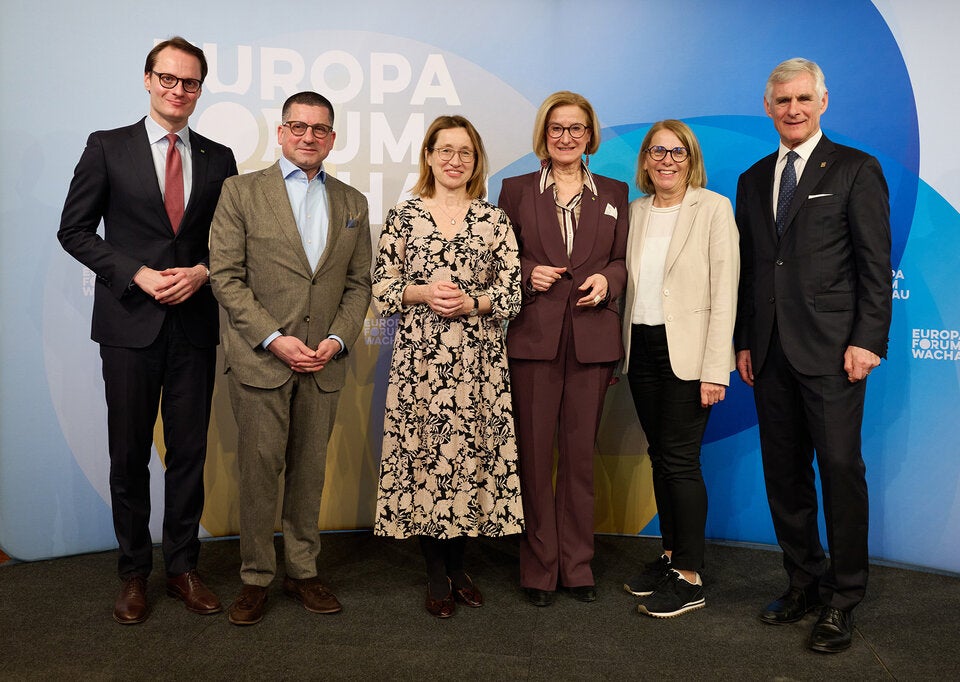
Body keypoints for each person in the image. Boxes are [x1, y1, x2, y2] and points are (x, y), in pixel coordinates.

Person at [57, 36, 237, 625]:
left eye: (190, 83)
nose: (178, 91)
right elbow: (75, 230)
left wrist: (205, 271)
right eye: (168, 79)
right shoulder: (106, 147)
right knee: (128, 454)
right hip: (129, 325)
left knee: (190, 453)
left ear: (199, 90)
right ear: (147, 79)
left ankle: (183, 567)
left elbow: (230, 241)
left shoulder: (219, 157)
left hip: (194, 327)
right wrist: (133, 272)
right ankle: (134, 573)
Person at [734, 58, 892, 653]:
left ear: (823, 101)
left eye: (804, 99)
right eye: (782, 101)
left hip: (834, 354)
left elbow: (875, 267)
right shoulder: (752, 180)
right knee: (785, 475)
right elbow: (755, 272)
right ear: (768, 108)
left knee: (841, 474)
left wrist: (867, 340)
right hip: (769, 353)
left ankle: (844, 598)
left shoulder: (856, 169)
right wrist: (746, 341)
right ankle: (802, 581)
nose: (793, 110)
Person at [209, 91, 372, 626]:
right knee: (259, 473)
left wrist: (339, 340)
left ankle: (303, 571)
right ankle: (256, 577)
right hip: (263, 361)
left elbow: (358, 284)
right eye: (298, 126)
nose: (308, 136)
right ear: (280, 132)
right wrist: (274, 338)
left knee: (309, 473)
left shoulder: (352, 202)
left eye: (320, 129)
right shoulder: (240, 191)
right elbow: (226, 278)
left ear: (332, 136)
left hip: (324, 362)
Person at [372, 115, 523, 618]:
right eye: (446, 150)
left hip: (478, 364)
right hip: (420, 363)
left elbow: (512, 294)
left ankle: (460, 568)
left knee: (469, 462)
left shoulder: (493, 220)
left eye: (466, 152)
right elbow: (381, 289)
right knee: (426, 461)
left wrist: (472, 303)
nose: (455, 160)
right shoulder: (404, 216)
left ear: (476, 161)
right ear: (430, 156)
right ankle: (436, 572)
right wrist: (420, 292)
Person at [499, 91, 628, 607]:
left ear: (590, 135)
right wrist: (528, 273)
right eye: (557, 129)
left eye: (577, 128)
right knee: (533, 457)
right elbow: (500, 258)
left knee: (577, 461)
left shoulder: (616, 192)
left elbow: (621, 260)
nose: (567, 137)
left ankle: (577, 567)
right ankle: (539, 568)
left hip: (593, 341)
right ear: (544, 136)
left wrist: (609, 281)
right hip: (533, 340)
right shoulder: (515, 190)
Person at [619, 120, 739, 618]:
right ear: (645, 160)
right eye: (657, 151)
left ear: (691, 159)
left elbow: (724, 292)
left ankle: (690, 576)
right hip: (642, 347)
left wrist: (717, 368)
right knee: (661, 456)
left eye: (677, 151)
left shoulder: (713, 208)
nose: (666, 160)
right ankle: (670, 557)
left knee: (682, 459)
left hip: (689, 353)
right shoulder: (635, 212)